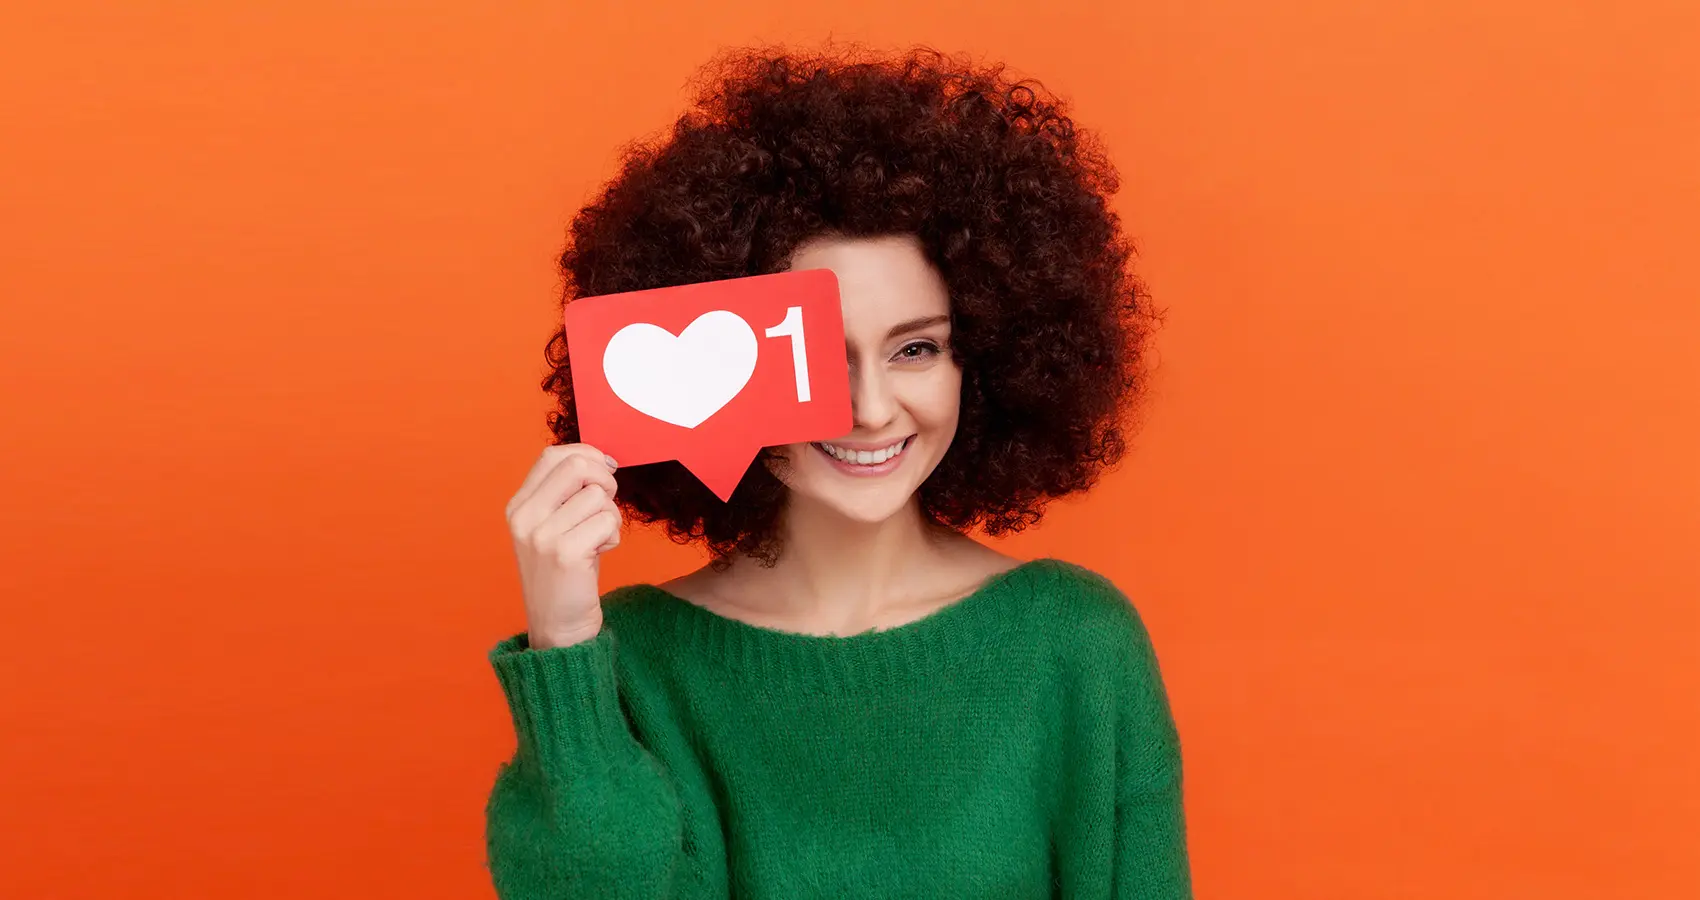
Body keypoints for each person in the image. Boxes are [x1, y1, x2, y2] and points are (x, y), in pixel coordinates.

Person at [490, 44, 1191, 899]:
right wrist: (563, 642)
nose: (869, 408)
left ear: (984, 361)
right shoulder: (632, 660)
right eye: (819, 355)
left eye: (916, 349)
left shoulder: (1076, 644)